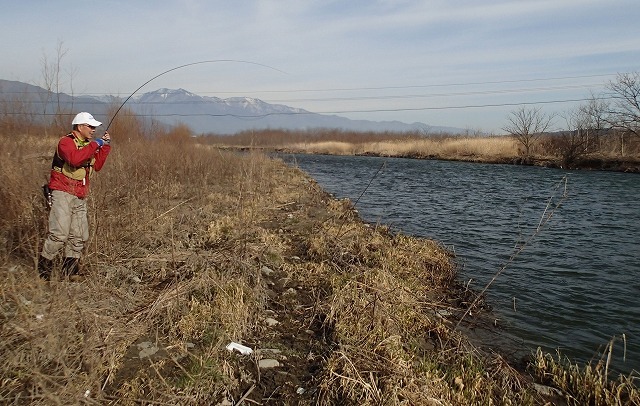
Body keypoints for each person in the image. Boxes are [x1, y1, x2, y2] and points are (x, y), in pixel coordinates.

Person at [37, 112, 112, 280]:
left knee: (79, 235)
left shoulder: (88, 145)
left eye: (95, 127)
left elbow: (97, 166)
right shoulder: (65, 142)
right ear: (80, 127)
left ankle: (70, 271)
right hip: (62, 192)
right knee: (59, 234)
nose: (94, 130)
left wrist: (105, 146)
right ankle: (43, 271)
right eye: (90, 126)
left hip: (80, 195)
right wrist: (96, 144)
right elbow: (74, 159)